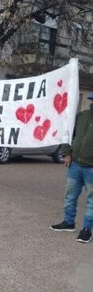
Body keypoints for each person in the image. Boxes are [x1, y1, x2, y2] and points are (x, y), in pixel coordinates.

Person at [50, 93, 93, 243]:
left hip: (91, 168)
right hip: (75, 164)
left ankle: (87, 230)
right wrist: (66, 153)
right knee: (70, 196)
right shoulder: (81, 116)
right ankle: (68, 222)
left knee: (91, 201)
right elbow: (67, 134)